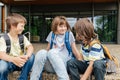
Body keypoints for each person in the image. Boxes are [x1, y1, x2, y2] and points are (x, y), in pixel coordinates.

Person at [30, 16, 82, 80]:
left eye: (65, 26)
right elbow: (47, 50)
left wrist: (81, 63)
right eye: (61, 26)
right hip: (52, 65)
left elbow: (75, 50)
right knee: (41, 52)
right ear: (55, 27)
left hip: (64, 65)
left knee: (52, 52)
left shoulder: (69, 34)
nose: (63, 28)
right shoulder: (52, 34)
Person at [0, 13, 35, 80]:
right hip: (9, 62)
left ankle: (23, 78)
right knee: (2, 66)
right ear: (13, 26)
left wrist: (27, 56)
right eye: (21, 26)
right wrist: (14, 59)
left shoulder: (22, 37)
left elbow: (30, 47)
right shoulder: (3, 39)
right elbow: (1, 55)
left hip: (21, 62)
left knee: (32, 56)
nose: (23, 28)